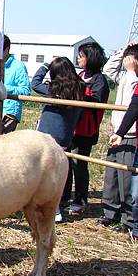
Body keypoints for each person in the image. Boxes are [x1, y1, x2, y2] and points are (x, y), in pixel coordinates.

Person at [31, 57, 86, 222]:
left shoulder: (53, 89)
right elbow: (82, 114)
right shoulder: (79, 89)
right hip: (65, 136)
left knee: (45, 174)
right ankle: (59, 204)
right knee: (60, 172)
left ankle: (52, 209)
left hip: (46, 137)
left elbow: (34, 83)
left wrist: (45, 65)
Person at [64, 42, 109, 216]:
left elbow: (96, 103)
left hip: (86, 130)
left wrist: (81, 93)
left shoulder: (99, 81)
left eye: (81, 56)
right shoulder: (80, 75)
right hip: (72, 127)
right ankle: (65, 197)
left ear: (90, 58)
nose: (78, 58)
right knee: (66, 163)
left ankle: (81, 200)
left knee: (79, 165)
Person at [100, 40, 138, 231]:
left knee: (126, 179)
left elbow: (134, 98)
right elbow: (109, 69)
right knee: (112, 176)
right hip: (117, 131)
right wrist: (123, 49)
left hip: (131, 134)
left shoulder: (134, 78)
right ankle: (110, 212)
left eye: (130, 59)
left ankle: (128, 219)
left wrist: (132, 70)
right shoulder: (125, 75)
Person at [0, 34, 30, 134]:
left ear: (7, 49)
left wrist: (3, 88)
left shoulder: (18, 66)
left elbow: (26, 90)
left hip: (10, 112)